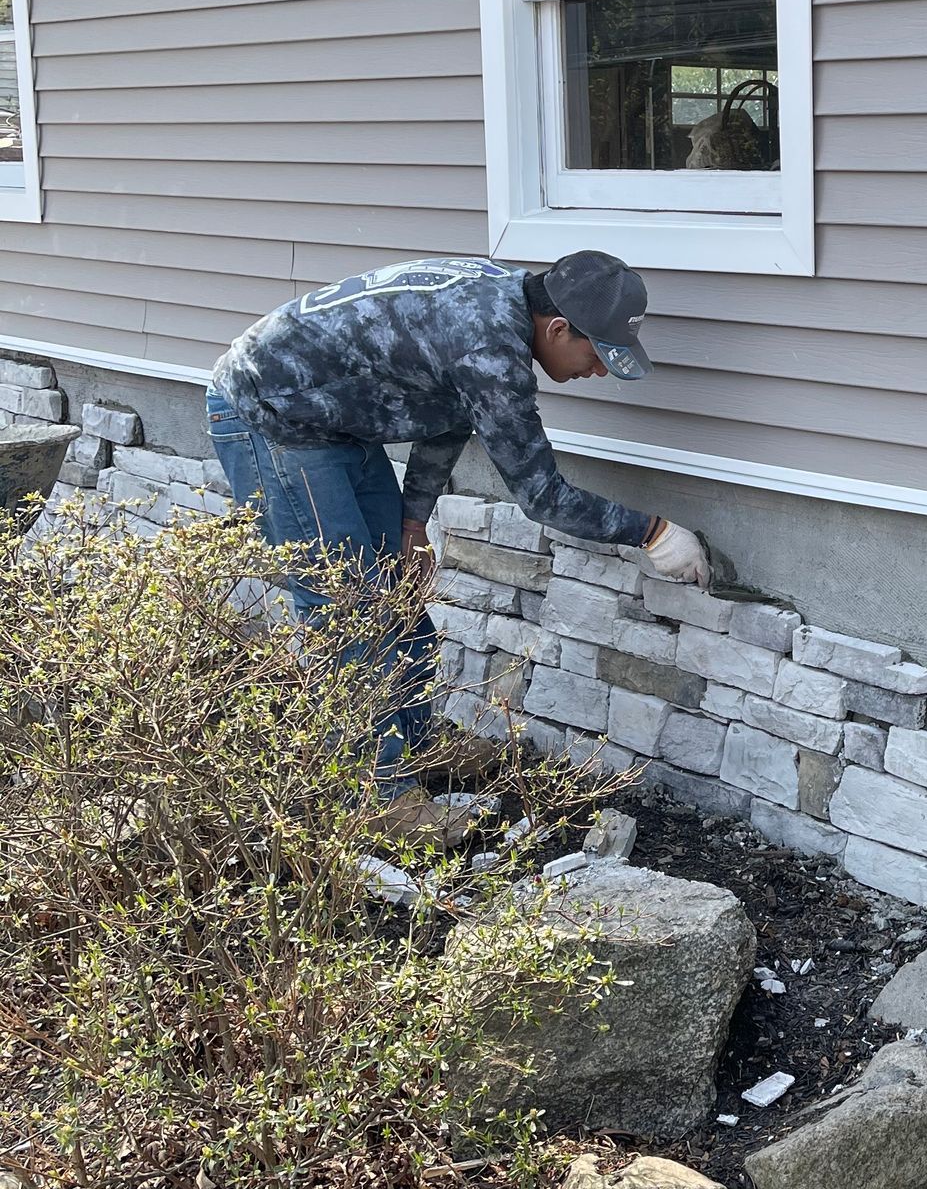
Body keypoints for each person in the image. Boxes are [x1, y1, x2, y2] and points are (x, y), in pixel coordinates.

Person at [205, 251, 707, 791]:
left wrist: (414, 522)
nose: (600, 369)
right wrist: (652, 532)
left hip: (330, 418)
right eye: (598, 353)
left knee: (394, 591)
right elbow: (542, 496)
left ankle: (417, 750)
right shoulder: (488, 347)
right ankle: (380, 798)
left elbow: (448, 414)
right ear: (558, 327)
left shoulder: (503, 303)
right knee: (344, 609)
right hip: (267, 412)